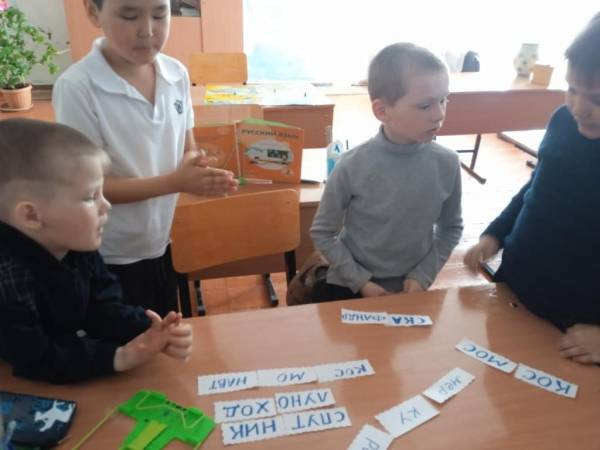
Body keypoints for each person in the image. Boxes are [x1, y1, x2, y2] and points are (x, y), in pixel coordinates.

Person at [52, 0, 238, 317]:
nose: (148, 31)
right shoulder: (77, 87)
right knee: (125, 342)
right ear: (94, 13)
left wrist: (200, 172)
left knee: (162, 333)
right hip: (107, 254)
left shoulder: (176, 74)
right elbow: (88, 188)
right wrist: (176, 182)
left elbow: (187, 150)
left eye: (159, 14)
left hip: (161, 242)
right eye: (129, 15)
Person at [0, 119, 193, 383]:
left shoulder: (75, 243)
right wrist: (118, 357)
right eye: (91, 197)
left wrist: (151, 331)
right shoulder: (8, 277)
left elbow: (102, 309)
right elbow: (35, 357)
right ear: (31, 215)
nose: (106, 205)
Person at [464, 14, 600, 364]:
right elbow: (537, 186)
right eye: (572, 90)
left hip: (576, 333)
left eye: (597, 100)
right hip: (514, 287)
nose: (579, 108)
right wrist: (496, 233)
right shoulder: (563, 120)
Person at [310, 43, 463, 301]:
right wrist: (361, 282)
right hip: (350, 287)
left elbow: (451, 228)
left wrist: (422, 275)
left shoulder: (447, 163)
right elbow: (322, 233)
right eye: (425, 106)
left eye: (443, 100)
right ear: (382, 111)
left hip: (410, 290)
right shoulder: (351, 165)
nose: (439, 114)